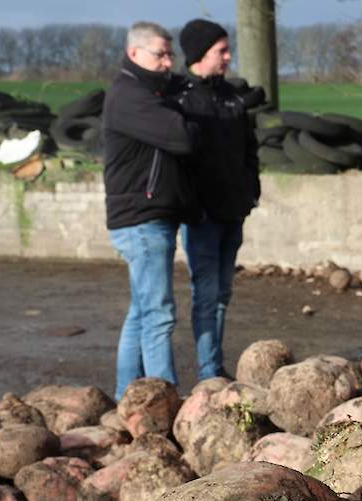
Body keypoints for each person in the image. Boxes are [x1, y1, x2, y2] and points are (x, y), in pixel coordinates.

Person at [103, 21, 199, 400]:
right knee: (159, 315)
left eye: (170, 54)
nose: (167, 62)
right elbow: (183, 136)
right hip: (142, 220)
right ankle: (165, 400)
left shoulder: (144, 90)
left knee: (141, 313)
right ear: (134, 53)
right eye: (160, 53)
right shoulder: (131, 96)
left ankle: (127, 395)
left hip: (142, 218)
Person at [174, 19, 261, 380]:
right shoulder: (180, 100)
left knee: (222, 294)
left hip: (233, 211)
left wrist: (251, 192)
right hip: (201, 218)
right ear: (198, 54)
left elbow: (248, 151)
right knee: (207, 296)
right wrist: (190, 205)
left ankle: (213, 365)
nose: (228, 57)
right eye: (220, 51)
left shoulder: (231, 98)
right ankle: (210, 370)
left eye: (228, 49)